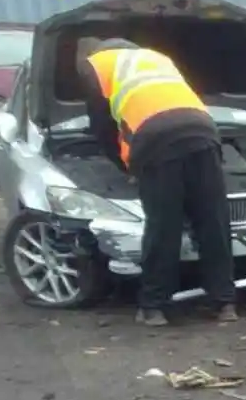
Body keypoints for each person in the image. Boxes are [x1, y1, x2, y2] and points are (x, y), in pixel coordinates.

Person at [77, 37, 237, 326]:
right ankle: (224, 303)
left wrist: (125, 164)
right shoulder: (156, 57)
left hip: (155, 140)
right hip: (204, 131)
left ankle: (154, 307)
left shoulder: (97, 65)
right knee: (212, 219)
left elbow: (101, 126)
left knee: (164, 224)